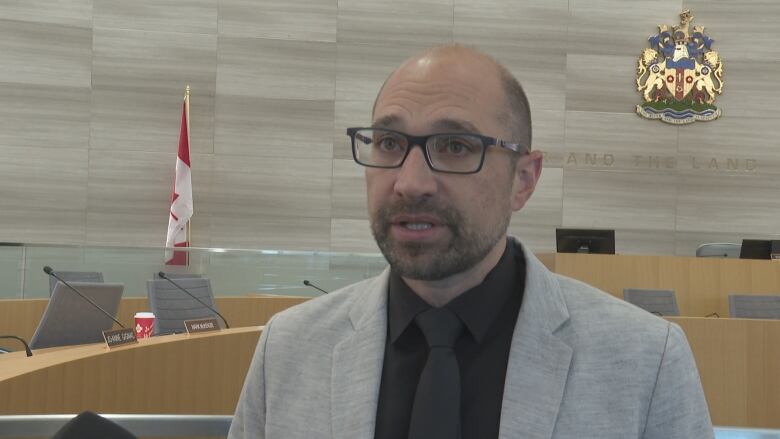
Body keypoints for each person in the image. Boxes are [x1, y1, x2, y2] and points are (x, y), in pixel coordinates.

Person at [228, 45, 714, 439]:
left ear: (523, 180)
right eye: (389, 144)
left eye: (455, 147)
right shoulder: (289, 349)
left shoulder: (645, 361)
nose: (410, 182)